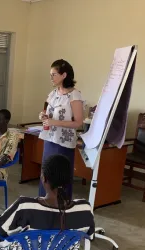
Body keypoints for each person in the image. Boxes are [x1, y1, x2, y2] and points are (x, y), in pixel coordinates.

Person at [0, 154, 95, 250]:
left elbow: (0, 229)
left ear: (44, 178)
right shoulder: (85, 208)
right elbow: (89, 233)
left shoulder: (25, 205)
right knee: (48, 243)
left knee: (14, 239)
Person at [38, 59, 84, 199]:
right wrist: (43, 115)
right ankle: (44, 203)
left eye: (54, 74)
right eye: (50, 74)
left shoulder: (74, 95)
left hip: (63, 143)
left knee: (60, 176)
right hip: (49, 139)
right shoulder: (53, 93)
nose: (51, 77)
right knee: (47, 173)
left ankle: (61, 207)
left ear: (64, 75)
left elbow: (78, 123)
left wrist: (54, 122)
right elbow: (48, 112)